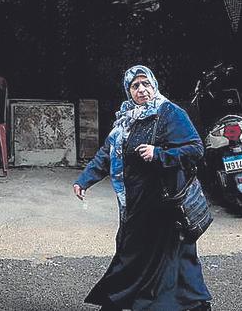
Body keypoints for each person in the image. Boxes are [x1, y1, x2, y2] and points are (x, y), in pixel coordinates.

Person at [73, 65, 212, 311]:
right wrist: (84, 180)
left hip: (163, 203)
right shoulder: (126, 118)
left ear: (154, 85)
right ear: (128, 91)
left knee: (160, 253)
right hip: (137, 202)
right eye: (135, 86)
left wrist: (158, 154)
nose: (141, 90)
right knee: (142, 251)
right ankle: (191, 302)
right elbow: (107, 153)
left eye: (145, 83)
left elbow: (195, 148)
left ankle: (122, 303)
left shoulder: (169, 112)